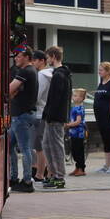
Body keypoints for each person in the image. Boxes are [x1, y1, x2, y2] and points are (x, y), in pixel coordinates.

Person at [8, 47, 39, 193]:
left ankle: (27, 181)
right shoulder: (32, 71)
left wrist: (10, 92)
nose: (16, 58)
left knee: (25, 148)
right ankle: (13, 178)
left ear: (27, 57)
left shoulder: (25, 71)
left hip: (21, 116)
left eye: (19, 56)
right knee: (9, 146)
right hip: (22, 115)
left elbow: (9, 89)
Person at [41, 46, 71, 189]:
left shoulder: (59, 75)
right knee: (47, 145)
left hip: (55, 117)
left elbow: (56, 99)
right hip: (53, 116)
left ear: (53, 56)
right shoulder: (61, 74)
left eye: (48, 57)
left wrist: (50, 115)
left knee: (56, 146)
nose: (47, 60)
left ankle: (59, 176)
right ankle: (54, 174)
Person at [92, 62, 110, 173]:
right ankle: (106, 166)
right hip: (100, 118)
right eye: (99, 70)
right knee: (106, 141)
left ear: (108, 71)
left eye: (101, 70)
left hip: (109, 118)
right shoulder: (101, 83)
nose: (99, 72)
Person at [31, 49, 50, 181]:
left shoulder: (42, 75)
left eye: (34, 60)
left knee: (39, 146)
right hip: (45, 112)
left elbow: (37, 95)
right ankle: (45, 172)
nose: (33, 63)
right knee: (42, 145)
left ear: (42, 61)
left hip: (39, 113)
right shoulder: (50, 74)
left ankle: (40, 174)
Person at [67, 88, 87, 177]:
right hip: (73, 133)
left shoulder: (79, 109)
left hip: (79, 133)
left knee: (79, 151)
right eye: (73, 95)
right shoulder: (74, 107)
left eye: (75, 96)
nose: (73, 97)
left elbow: (78, 121)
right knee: (74, 150)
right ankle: (77, 167)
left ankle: (81, 169)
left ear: (81, 98)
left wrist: (68, 125)